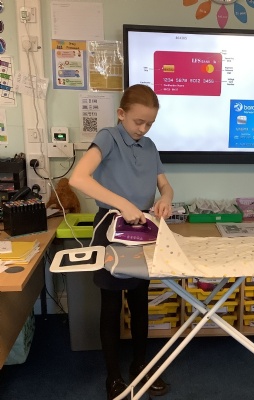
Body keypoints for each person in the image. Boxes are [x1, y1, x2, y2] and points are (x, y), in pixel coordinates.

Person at [69, 84, 174, 400]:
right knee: (111, 306)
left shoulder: (150, 146)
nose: (143, 129)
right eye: (138, 122)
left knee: (140, 303)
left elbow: (165, 185)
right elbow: (78, 178)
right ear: (121, 114)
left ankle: (141, 367)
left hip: (142, 228)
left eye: (149, 124)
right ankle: (113, 377)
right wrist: (123, 204)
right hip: (111, 227)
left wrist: (166, 198)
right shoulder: (108, 137)